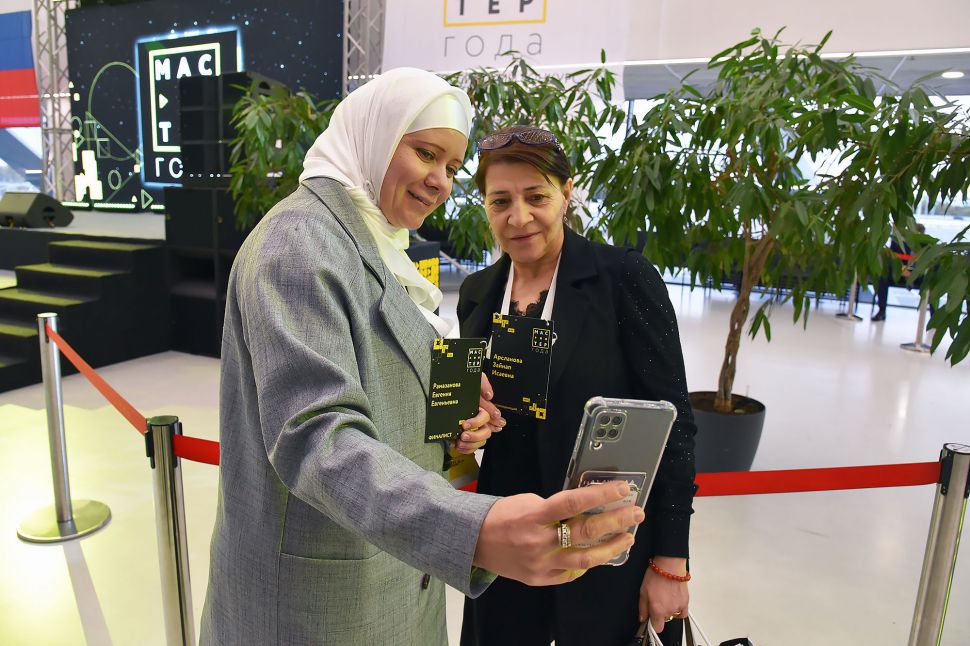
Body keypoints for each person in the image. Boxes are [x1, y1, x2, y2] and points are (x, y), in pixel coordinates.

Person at [200, 71, 643, 645]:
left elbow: (382, 383)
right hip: (320, 603)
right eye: (426, 153)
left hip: (395, 580)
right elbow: (317, 438)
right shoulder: (300, 243)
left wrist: (454, 418)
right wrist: (475, 530)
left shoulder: (381, 244)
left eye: (452, 168)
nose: (440, 182)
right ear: (376, 136)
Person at [458, 126, 697, 646]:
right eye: (500, 201)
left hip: (606, 543)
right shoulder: (478, 293)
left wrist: (671, 561)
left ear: (567, 193)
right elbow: (467, 413)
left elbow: (673, 424)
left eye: (536, 197)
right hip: (508, 545)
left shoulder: (622, 279)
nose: (518, 217)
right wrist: (466, 423)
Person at [872, 224, 927, 322]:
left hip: (917, 275)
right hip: (900, 273)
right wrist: (901, 270)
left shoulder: (926, 245)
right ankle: (882, 311)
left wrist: (914, 273)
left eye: (920, 234)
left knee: (931, 282)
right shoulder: (897, 242)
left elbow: (927, 264)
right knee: (883, 278)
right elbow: (891, 259)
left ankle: (935, 318)